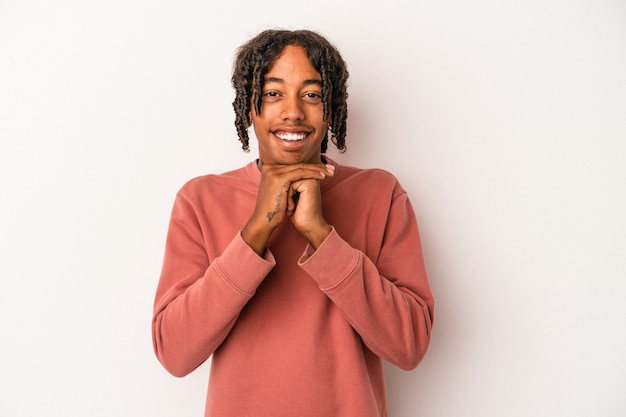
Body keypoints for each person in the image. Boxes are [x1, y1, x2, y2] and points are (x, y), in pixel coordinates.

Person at [152, 29, 434, 417]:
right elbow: (175, 352)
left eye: (312, 94)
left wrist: (321, 234)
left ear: (331, 107)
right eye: (272, 93)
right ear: (249, 107)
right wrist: (256, 231)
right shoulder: (201, 200)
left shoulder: (380, 194)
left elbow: (409, 346)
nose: (293, 112)